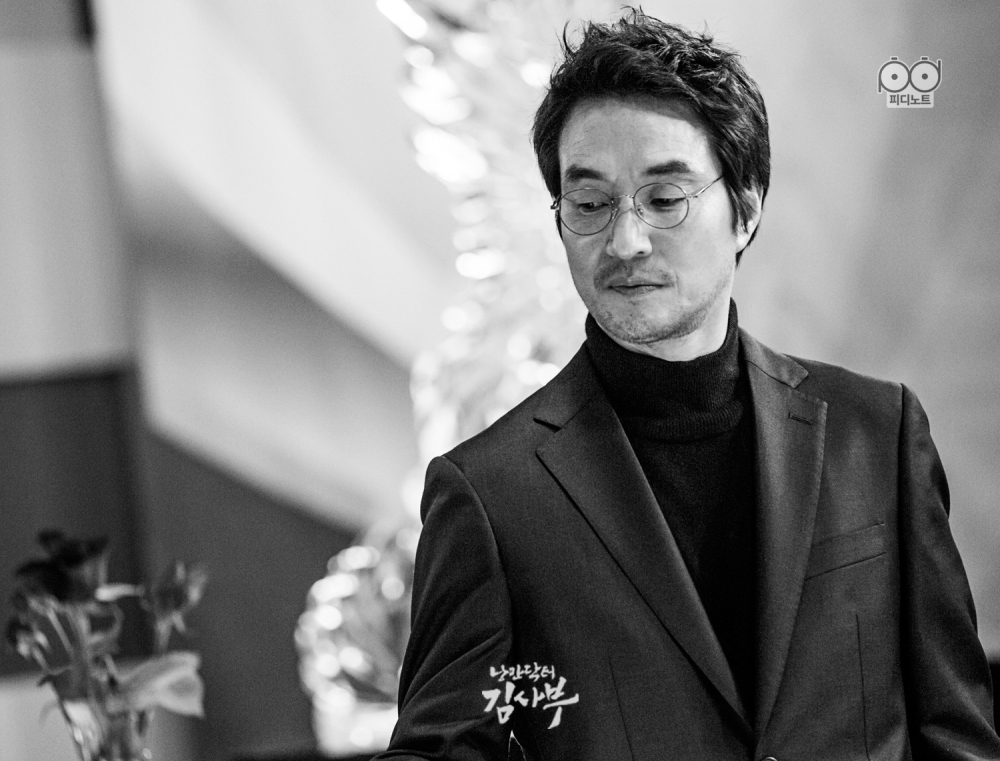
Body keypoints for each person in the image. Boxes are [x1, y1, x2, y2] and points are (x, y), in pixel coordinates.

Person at [375, 10, 1000, 760]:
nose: (626, 240)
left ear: (746, 209)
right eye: (590, 204)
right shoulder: (489, 493)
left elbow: (956, 735)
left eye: (665, 199)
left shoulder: (877, 434)